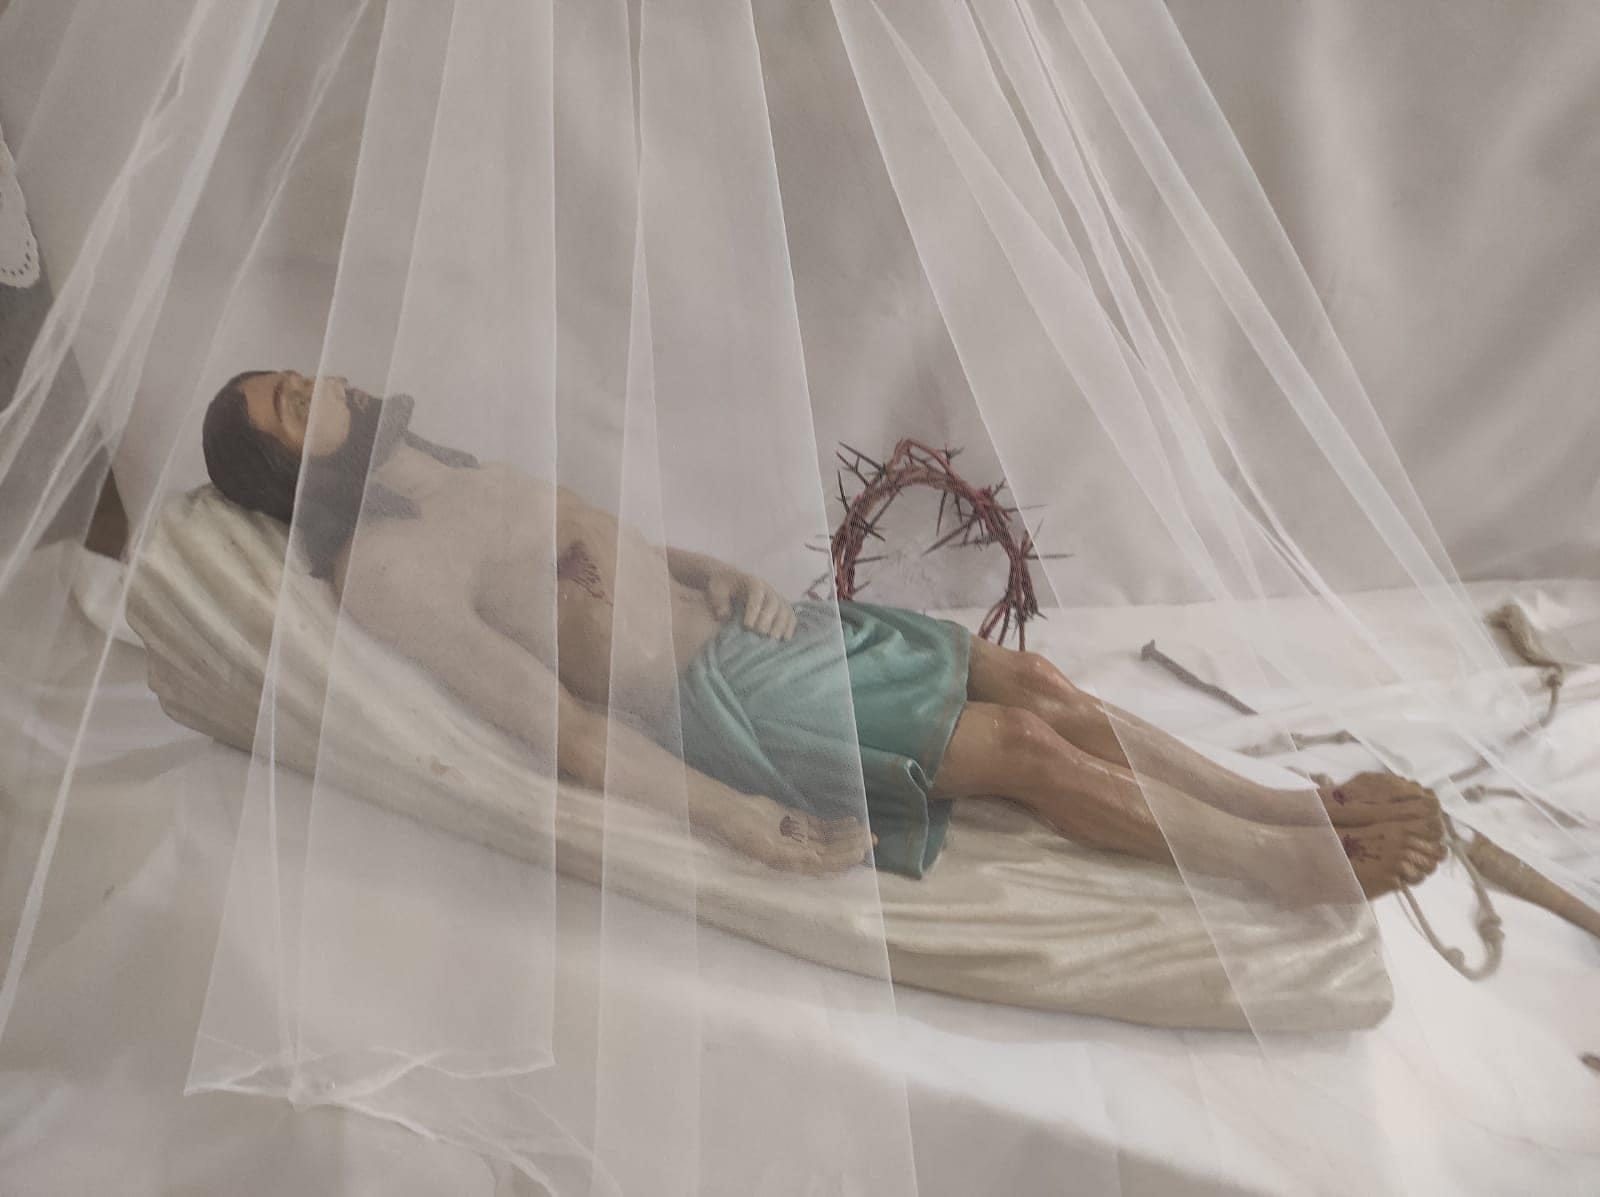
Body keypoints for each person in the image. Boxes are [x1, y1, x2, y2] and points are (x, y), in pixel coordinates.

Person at [201, 369, 1446, 897]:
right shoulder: (384, 569)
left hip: (764, 626)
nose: (317, 385)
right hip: (722, 702)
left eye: (300, 374)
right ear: (282, 474)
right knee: (1023, 749)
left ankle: (1286, 808)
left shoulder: (444, 468)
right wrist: (732, 816)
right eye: (287, 407)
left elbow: (604, 551)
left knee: (1033, 678)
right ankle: (1275, 867)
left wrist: (726, 572)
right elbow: (564, 730)